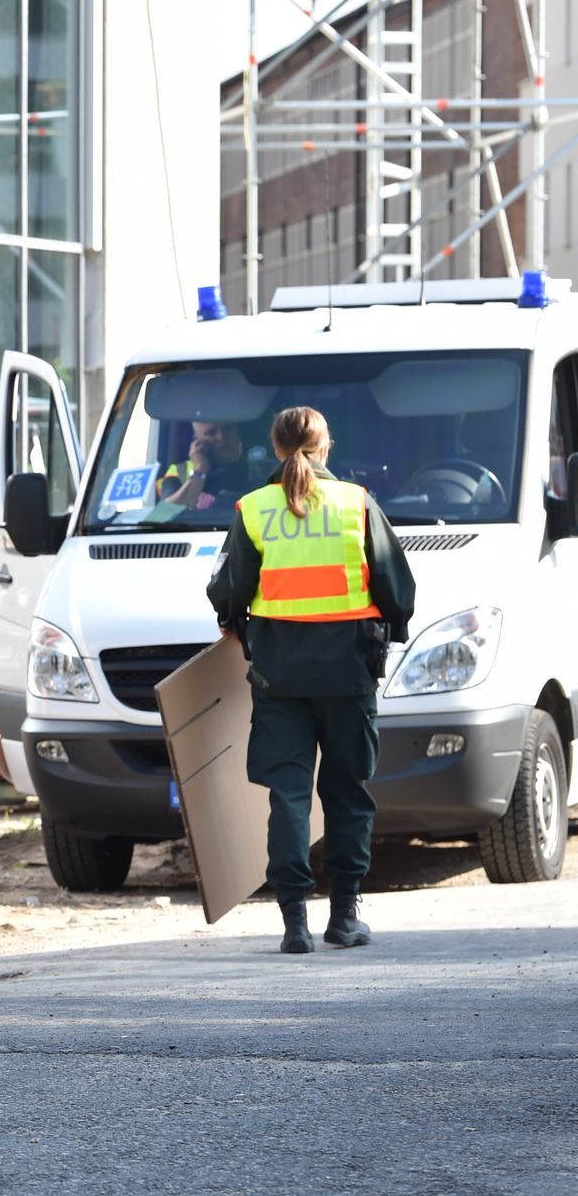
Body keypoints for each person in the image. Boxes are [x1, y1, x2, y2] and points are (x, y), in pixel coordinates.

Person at [206, 405, 415, 955]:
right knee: (347, 794)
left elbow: (227, 589)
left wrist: (235, 624)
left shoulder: (253, 509)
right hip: (349, 673)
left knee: (289, 797)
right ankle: (344, 918)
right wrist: (390, 628)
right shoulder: (356, 503)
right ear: (327, 446)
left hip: (279, 677)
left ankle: (294, 922)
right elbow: (398, 587)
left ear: (275, 449)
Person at [160, 419, 265, 510]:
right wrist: (200, 470)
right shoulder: (180, 472)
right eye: (211, 432)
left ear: (238, 431)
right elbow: (164, 515)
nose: (221, 436)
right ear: (196, 440)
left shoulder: (263, 469)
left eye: (227, 428)